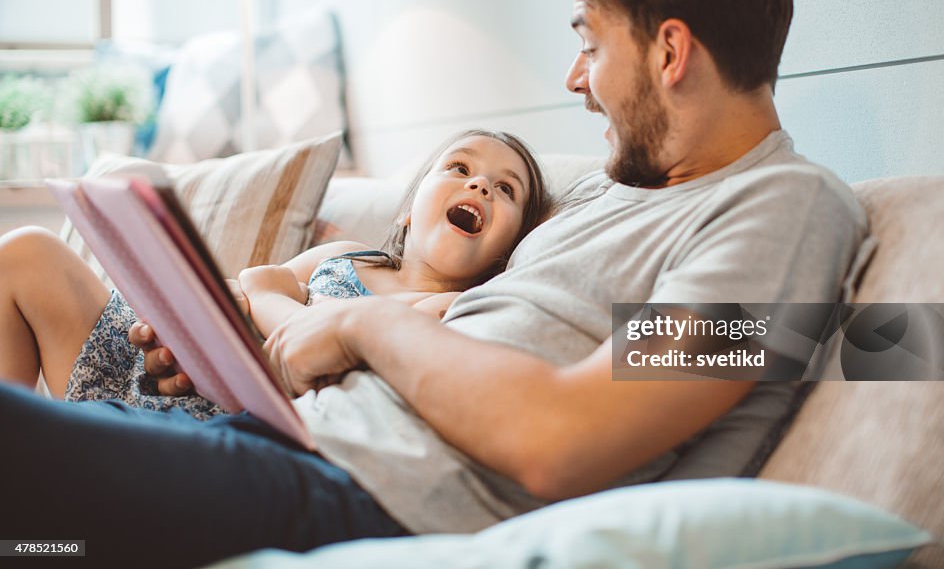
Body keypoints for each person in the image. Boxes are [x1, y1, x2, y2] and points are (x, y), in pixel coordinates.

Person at [0, 0, 869, 566]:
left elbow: (561, 436)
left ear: (670, 53)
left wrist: (356, 322)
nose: (576, 78)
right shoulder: (618, 196)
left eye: (592, 46)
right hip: (283, 440)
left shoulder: (783, 211)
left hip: (359, 497)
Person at [0, 129, 551, 419]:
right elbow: (252, 285)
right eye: (459, 167)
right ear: (407, 209)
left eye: (505, 189)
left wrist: (265, 293)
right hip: (169, 374)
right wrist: (186, 320)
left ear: (509, 251)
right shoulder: (348, 256)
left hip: (224, 424)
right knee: (26, 251)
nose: (478, 186)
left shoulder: (450, 311)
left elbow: (285, 302)